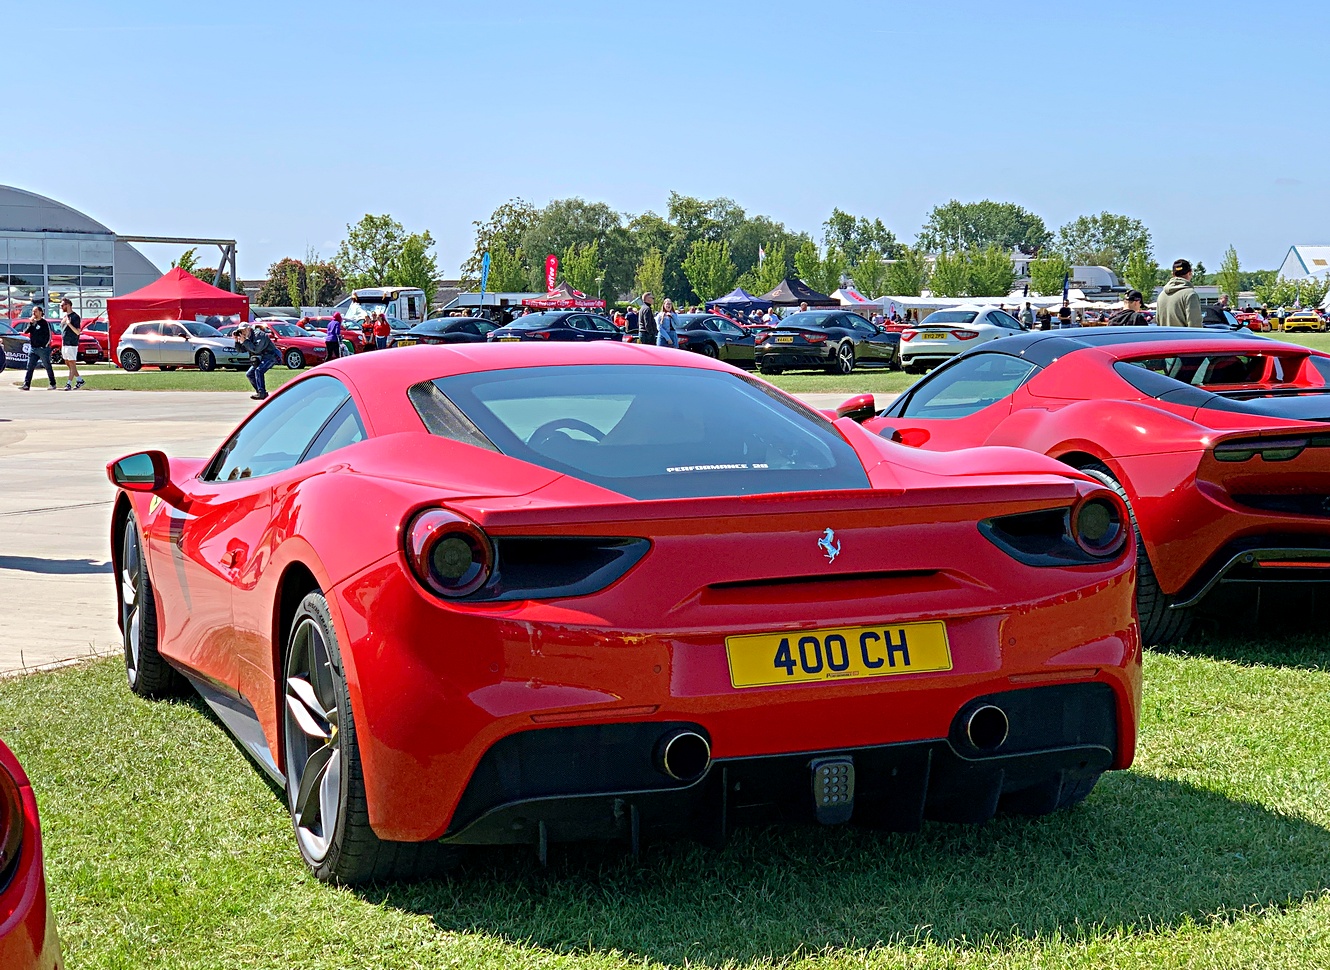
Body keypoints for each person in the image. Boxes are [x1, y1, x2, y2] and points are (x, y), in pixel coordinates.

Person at [234, 323, 282, 400]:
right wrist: (237, 341)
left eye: (243, 330)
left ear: (249, 329)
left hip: (272, 355)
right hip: (262, 357)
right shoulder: (246, 338)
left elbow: (256, 349)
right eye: (240, 331)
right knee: (249, 374)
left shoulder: (260, 335)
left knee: (259, 370)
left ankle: (261, 393)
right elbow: (241, 350)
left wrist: (245, 341)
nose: (242, 332)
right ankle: (260, 392)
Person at [1155, 259, 1203, 328]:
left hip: (1165, 335)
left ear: (1172, 274)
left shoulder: (1162, 295)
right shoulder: (1190, 295)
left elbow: (1158, 323)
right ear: (1190, 273)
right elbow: (1195, 326)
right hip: (1184, 335)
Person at [20, 304, 57, 390]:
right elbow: (25, 331)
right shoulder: (32, 323)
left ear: (40, 312)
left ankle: (53, 383)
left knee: (47, 366)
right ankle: (26, 384)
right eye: (33, 311)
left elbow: (49, 335)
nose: (34, 313)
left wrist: (45, 346)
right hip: (33, 348)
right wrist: (31, 323)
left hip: (42, 349)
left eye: (35, 311)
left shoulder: (44, 323)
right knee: (30, 366)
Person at [58, 298, 84, 390]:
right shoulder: (65, 316)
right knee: (67, 362)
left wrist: (69, 324)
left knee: (72, 363)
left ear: (68, 305)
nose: (61, 307)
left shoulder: (75, 317)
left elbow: (78, 332)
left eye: (62, 305)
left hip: (72, 343)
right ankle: (79, 379)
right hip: (65, 343)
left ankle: (68, 383)